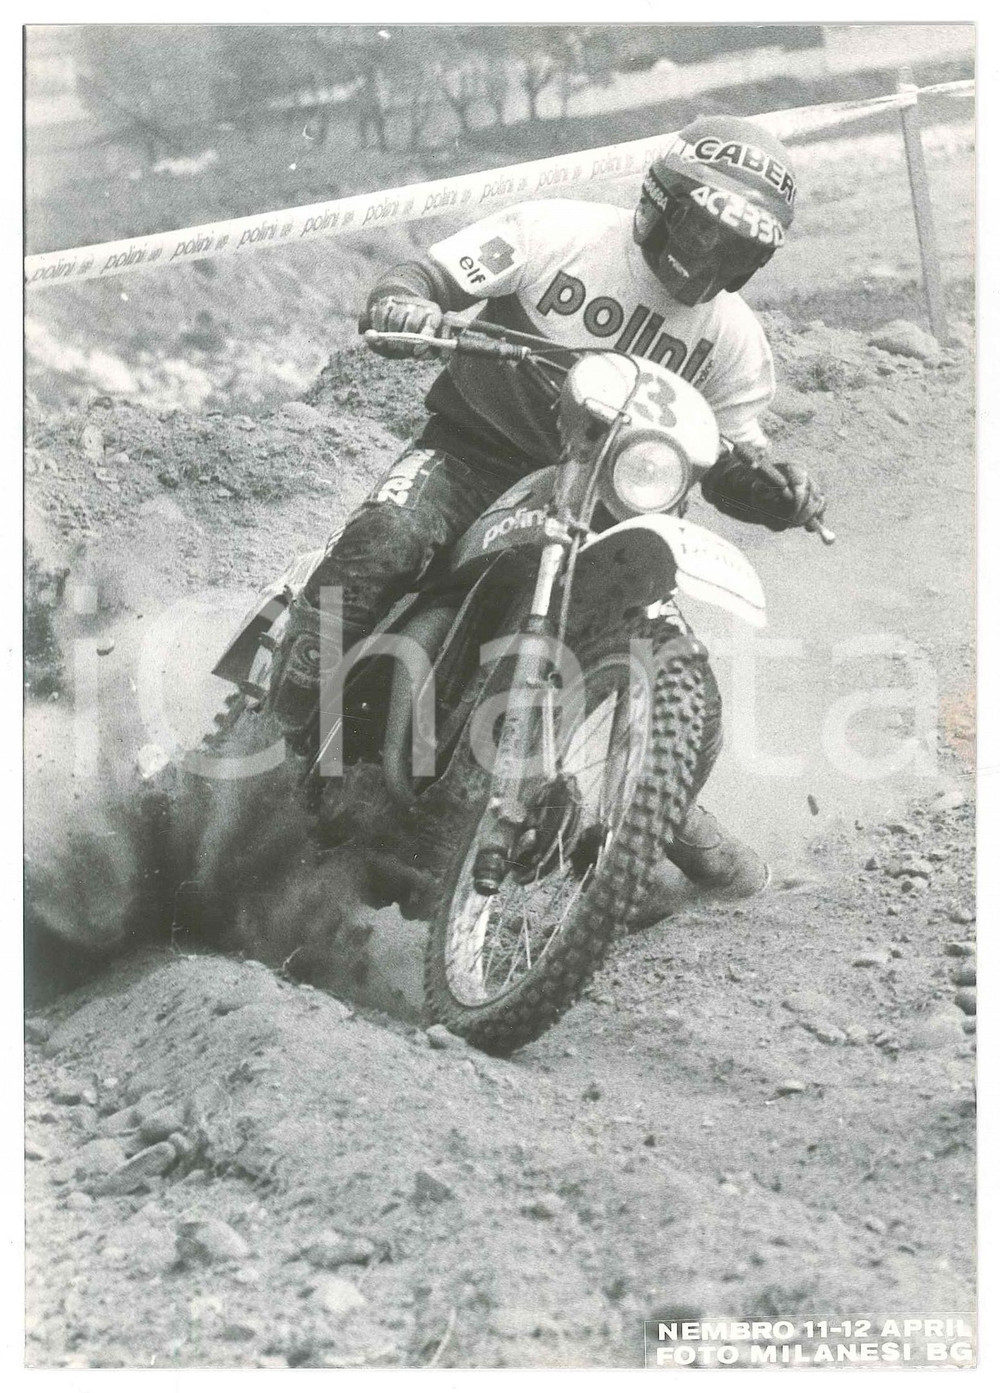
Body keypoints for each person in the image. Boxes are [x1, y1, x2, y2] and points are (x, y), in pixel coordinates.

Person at [273, 114, 827, 901]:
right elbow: (428, 277)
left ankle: (644, 811)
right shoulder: (556, 231)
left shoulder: (732, 338)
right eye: (700, 230)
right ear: (659, 204)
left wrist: (776, 490)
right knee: (386, 542)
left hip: (615, 504)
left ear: (755, 260)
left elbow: (733, 458)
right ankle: (278, 734)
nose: (706, 257)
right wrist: (405, 305)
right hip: (476, 450)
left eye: (732, 248)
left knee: (673, 655)